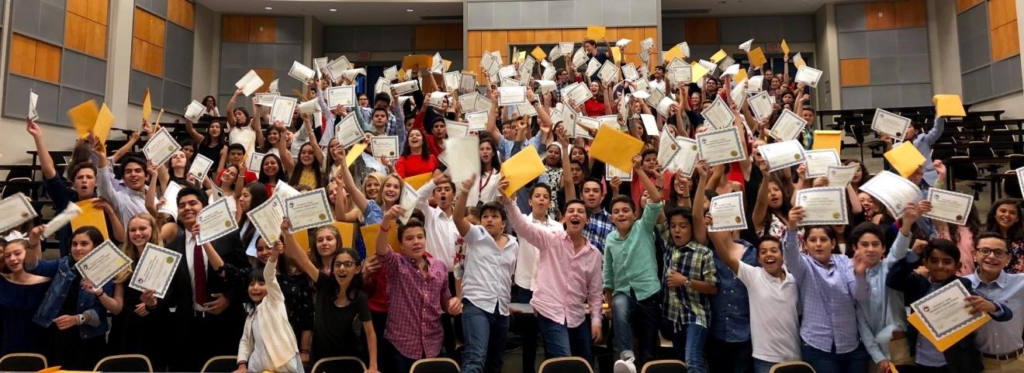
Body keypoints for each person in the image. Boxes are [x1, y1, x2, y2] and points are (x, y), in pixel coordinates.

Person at [887, 238, 1013, 373]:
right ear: (925, 263)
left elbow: (1006, 314)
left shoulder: (962, 286)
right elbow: (892, 280)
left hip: (954, 363)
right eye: (934, 261)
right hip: (919, 360)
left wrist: (992, 307)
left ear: (957, 266)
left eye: (947, 262)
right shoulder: (918, 283)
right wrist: (912, 255)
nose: (940, 266)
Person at [160, 186, 251, 371]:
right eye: (182, 205)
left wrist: (230, 298)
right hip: (187, 328)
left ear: (204, 207)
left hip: (224, 324)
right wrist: (153, 302)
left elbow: (246, 275)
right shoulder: (172, 248)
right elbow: (171, 292)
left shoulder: (227, 237)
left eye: (193, 203)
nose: (187, 208)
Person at [374, 206, 462, 373]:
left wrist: (454, 302)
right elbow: (381, 250)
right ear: (401, 244)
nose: (416, 242)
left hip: (432, 342)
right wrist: (385, 221)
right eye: (409, 238)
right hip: (401, 343)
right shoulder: (396, 265)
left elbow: (445, 301)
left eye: (420, 237)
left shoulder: (439, 267)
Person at [784, 207, 872, 373]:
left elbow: (860, 296)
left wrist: (860, 275)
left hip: (851, 345)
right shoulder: (803, 264)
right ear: (806, 244)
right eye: (813, 240)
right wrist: (792, 227)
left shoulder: (845, 261)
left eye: (823, 239)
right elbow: (790, 257)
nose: (818, 244)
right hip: (817, 346)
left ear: (832, 243)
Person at [283, 224, 378, 372]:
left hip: (349, 355)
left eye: (348, 264)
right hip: (320, 353)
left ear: (357, 268)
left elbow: (370, 332)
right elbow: (304, 260)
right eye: (338, 265)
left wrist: (373, 366)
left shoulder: (360, 296)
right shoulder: (324, 284)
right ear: (332, 269)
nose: (342, 269)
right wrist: (287, 234)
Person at [453, 176, 519, 373]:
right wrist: (464, 191)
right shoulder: (476, 235)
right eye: (485, 216)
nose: (489, 219)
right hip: (476, 306)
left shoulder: (514, 244)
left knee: (495, 363)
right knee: (475, 358)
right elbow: (457, 218)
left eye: (494, 216)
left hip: (502, 310)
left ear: (503, 224)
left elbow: (509, 277)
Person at [709, 230, 799, 373]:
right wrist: (713, 235)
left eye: (774, 250)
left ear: (783, 256)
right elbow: (727, 258)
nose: (769, 254)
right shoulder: (754, 276)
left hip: (795, 355)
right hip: (764, 358)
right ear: (758, 258)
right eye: (763, 252)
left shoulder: (794, 281)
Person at [604, 154, 663, 372]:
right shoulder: (610, 239)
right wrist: (608, 303)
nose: (621, 214)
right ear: (611, 218)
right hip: (622, 293)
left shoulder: (644, 227)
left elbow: (656, 200)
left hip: (648, 293)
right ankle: (627, 358)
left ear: (635, 214)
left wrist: (639, 170)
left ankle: (645, 365)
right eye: (616, 212)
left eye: (626, 210)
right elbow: (608, 274)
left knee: (648, 349)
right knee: (619, 305)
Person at [25, 225, 114, 369]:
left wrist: (77, 319)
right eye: (74, 244)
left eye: (84, 244)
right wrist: (33, 242)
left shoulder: (106, 272)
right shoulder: (63, 263)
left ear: (96, 246)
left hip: (87, 337)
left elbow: (100, 310)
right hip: (57, 333)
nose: (78, 248)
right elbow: (33, 267)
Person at [851, 203, 924, 373]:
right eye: (864, 244)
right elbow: (861, 322)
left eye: (875, 244)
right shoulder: (850, 277)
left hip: (899, 345)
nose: (870, 249)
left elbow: (898, 252)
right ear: (855, 248)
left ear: (883, 248)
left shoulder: (890, 268)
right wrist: (878, 356)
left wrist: (906, 224)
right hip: (872, 351)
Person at [232, 236, 303, 373]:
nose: (255, 288)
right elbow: (245, 341)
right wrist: (242, 365)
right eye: (251, 284)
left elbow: (269, 274)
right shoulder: (252, 314)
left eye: (261, 283)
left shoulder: (275, 300)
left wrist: (274, 254)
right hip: (257, 367)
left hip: (284, 366)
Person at [659, 205, 717, 373]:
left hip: (695, 316)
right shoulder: (669, 246)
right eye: (673, 226)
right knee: (682, 361)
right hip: (673, 317)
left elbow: (713, 288)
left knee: (692, 359)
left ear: (692, 228)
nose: (677, 230)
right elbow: (657, 209)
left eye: (683, 226)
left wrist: (685, 281)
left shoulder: (703, 253)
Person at [964, 232, 1024, 372]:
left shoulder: (1021, 283)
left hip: (1019, 362)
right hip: (980, 364)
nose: (991, 256)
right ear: (974, 255)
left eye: (998, 252)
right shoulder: (961, 286)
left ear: (1008, 258)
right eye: (985, 251)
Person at [0, 234, 51, 355]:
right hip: (5, 345)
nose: (12, 258)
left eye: (17, 253)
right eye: (7, 256)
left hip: (39, 345)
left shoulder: (46, 283)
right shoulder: (1, 281)